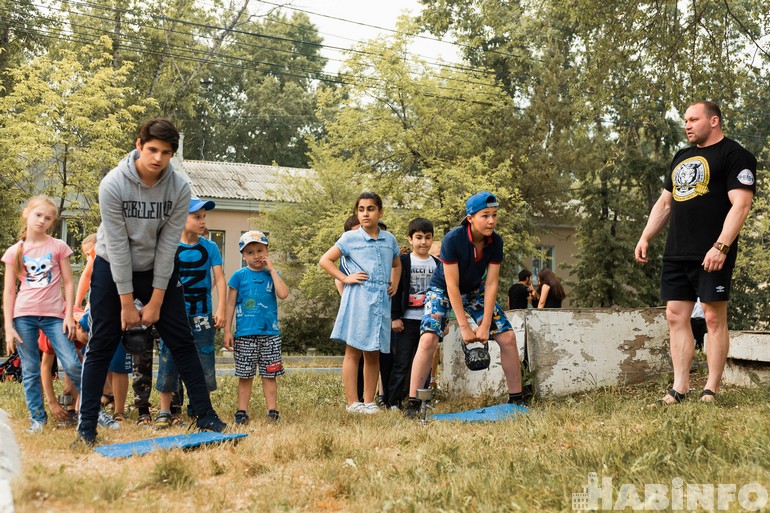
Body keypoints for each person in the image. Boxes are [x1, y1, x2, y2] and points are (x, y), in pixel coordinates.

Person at [76, 118, 226, 446]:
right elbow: (117, 246)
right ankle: (86, 428)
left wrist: (157, 301)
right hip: (111, 265)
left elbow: (169, 245)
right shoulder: (113, 184)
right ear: (139, 145)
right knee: (101, 343)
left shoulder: (179, 188)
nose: (158, 158)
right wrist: (126, 304)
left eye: (166, 152)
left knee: (182, 341)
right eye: (153, 150)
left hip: (157, 266)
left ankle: (206, 416)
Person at [634, 100, 756, 405]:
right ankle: (680, 387)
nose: (687, 125)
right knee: (675, 316)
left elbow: (741, 206)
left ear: (714, 120)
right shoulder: (682, 157)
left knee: (713, 318)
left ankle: (710, 389)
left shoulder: (735, 155)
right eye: (685, 120)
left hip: (712, 252)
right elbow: (665, 203)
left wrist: (721, 246)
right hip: (677, 252)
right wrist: (646, 236)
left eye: (693, 119)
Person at [404, 191, 526, 417]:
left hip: (473, 290)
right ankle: (413, 402)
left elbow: (491, 284)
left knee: (508, 337)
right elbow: (452, 286)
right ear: (470, 218)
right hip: (443, 288)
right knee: (429, 338)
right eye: (485, 215)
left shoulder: (496, 242)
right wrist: (464, 327)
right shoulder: (453, 239)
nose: (491, 221)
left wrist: (485, 324)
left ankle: (517, 399)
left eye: (494, 215)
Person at [2, 195, 82, 433]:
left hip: (55, 316)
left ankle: (93, 411)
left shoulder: (58, 246)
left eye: (48, 218)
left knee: (72, 363)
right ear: (26, 213)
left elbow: (69, 283)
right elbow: (9, 291)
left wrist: (69, 315)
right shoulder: (15, 251)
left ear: (52, 222)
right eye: (38, 215)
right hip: (23, 316)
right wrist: (8, 326)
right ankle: (37, 419)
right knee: (30, 369)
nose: (42, 221)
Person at [319, 192, 401, 414]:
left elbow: (396, 264)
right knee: (353, 350)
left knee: (373, 351)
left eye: (371, 209)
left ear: (380, 212)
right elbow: (325, 260)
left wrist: (394, 283)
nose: (365, 214)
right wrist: (345, 278)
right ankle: (353, 402)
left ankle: (369, 402)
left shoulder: (389, 239)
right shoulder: (349, 238)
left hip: (380, 302)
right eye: (361, 209)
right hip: (358, 299)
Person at [155, 196, 226, 428]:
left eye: (204, 216)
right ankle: (164, 411)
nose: (202, 221)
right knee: (168, 360)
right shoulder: (169, 246)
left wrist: (221, 308)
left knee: (205, 361)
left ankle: (199, 407)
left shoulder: (210, 247)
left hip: (202, 315)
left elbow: (220, 278)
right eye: (196, 217)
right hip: (174, 316)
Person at [223, 230, 289, 424]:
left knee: (270, 374)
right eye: (250, 252)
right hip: (245, 334)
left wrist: (273, 270)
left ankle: (272, 411)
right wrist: (227, 330)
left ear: (267, 251)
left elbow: (283, 294)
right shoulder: (239, 276)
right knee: (245, 375)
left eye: (260, 250)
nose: (256, 255)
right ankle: (242, 411)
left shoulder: (272, 275)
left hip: (270, 333)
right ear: (243, 256)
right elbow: (230, 304)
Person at [388, 218, 439, 409]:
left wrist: (443, 321)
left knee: (425, 363)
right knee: (401, 363)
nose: (423, 242)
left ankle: (420, 401)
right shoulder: (402, 261)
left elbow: (443, 294)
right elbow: (395, 290)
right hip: (406, 321)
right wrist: (395, 317)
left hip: (429, 322)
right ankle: (394, 401)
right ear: (410, 239)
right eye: (418, 237)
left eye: (427, 237)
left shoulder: (438, 264)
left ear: (432, 239)